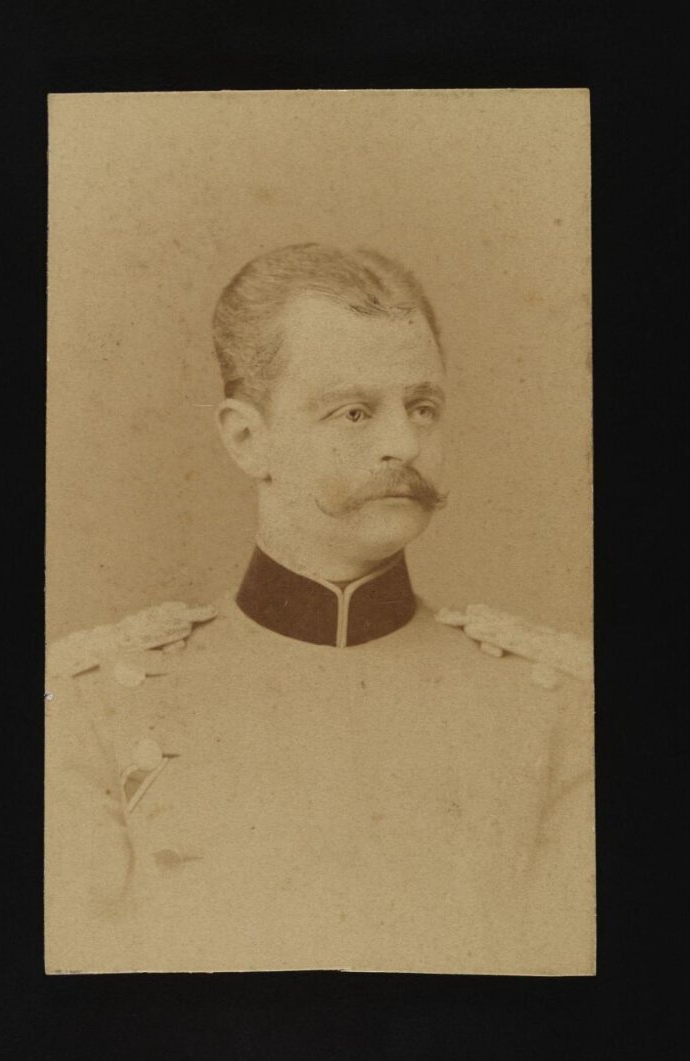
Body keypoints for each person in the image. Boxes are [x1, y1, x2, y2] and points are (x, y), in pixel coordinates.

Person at [45, 244, 594, 974]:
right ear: (247, 438)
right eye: (354, 412)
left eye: (422, 407)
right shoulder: (91, 711)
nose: (403, 442)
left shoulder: (556, 711)